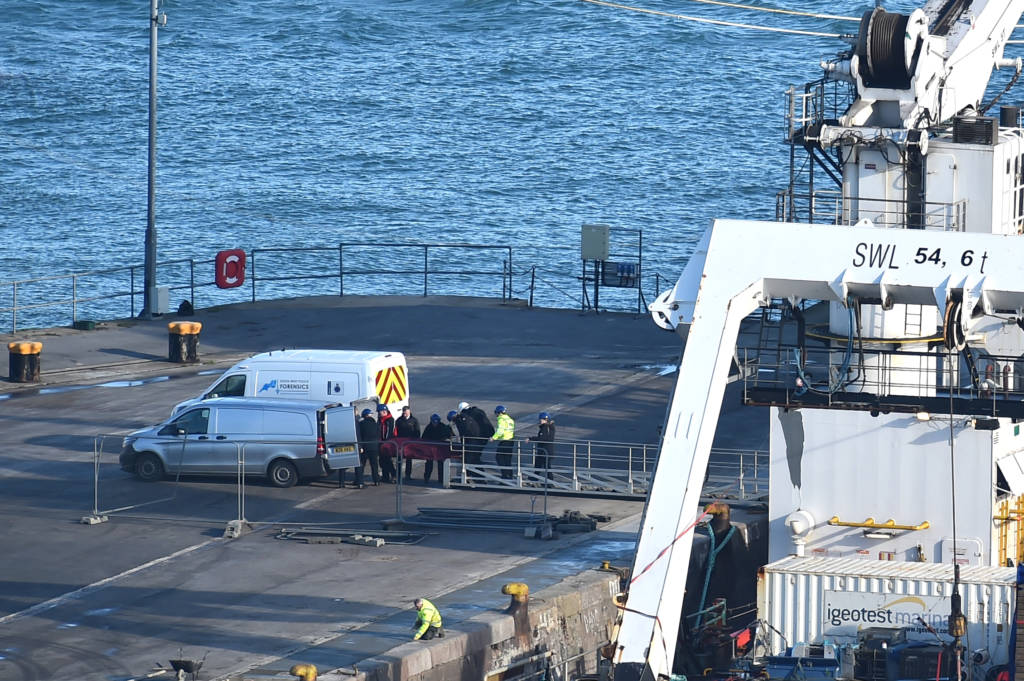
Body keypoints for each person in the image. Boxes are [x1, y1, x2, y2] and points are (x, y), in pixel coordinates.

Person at [458, 401, 494, 474]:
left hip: (475, 439)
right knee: (475, 457)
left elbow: (467, 429)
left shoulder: (466, 415)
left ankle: (477, 475)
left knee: (471, 458)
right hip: (484, 438)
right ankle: (477, 475)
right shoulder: (479, 412)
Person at [421, 413, 454, 483]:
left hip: (440, 449)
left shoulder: (443, 427)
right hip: (430, 449)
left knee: (441, 464)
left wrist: (448, 438)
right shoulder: (429, 427)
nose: (435, 424)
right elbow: (423, 437)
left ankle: (441, 479)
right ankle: (426, 478)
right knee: (429, 464)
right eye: (433, 422)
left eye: (436, 422)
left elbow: (450, 435)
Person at [452, 407, 482, 479]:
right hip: (473, 442)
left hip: (470, 443)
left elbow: (462, 433)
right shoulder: (467, 418)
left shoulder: (462, 421)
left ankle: (472, 477)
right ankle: (476, 477)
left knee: (470, 460)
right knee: (473, 460)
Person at [395, 405, 421, 478]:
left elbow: (417, 431)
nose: (404, 413)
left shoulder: (414, 420)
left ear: (409, 411)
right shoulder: (399, 420)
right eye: (403, 412)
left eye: (405, 412)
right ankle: (398, 475)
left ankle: (408, 475)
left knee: (409, 459)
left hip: (410, 443)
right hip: (400, 443)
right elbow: (396, 431)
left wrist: (416, 441)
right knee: (399, 459)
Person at [356, 408, 380, 486]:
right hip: (374, 447)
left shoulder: (361, 424)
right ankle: (376, 481)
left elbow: (360, 435)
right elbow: (378, 435)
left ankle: (359, 481)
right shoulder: (375, 424)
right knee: (374, 465)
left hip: (365, 447)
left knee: (362, 464)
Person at [491, 405, 516, 479]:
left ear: (499, 413)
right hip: (511, 441)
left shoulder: (501, 419)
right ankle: (510, 476)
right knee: (507, 460)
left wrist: (493, 438)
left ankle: (504, 476)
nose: (495, 414)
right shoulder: (510, 419)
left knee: (499, 458)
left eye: (496, 412)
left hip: (504, 441)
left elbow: (500, 431)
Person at [529, 412, 556, 480]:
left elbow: (542, 438)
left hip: (544, 450)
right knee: (540, 464)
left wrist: (531, 438)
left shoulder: (545, 427)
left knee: (545, 466)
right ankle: (535, 478)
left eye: (541, 419)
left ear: (545, 420)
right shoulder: (550, 427)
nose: (540, 421)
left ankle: (549, 481)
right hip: (546, 450)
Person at [378, 404, 397, 483]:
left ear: (384, 411)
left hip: (388, 443)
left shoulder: (390, 420)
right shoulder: (380, 419)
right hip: (381, 443)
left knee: (388, 461)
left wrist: (385, 442)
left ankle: (394, 475)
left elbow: (389, 432)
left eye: (379, 412)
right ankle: (385, 476)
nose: (378, 414)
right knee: (382, 461)